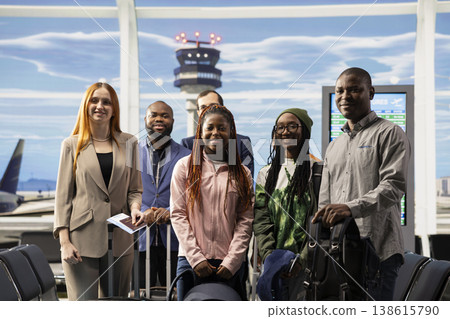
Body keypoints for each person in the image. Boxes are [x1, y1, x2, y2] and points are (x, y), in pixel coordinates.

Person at [312, 67, 411, 301]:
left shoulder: (389, 133)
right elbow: (326, 202)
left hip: (378, 251)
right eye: (340, 91)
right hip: (340, 252)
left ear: (371, 92)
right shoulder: (334, 146)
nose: (345, 96)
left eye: (354, 89)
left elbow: (394, 186)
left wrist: (350, 207)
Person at [54, 82, 144, 300]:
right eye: (94, 100)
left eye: (106, 101)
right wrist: (65, 242)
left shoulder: (130, 142)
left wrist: (135, 207)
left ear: (114, 109)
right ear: (86, 105)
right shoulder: (71, 145)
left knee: (117, 305)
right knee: (84, 305)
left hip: (121, 238)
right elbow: (63, 198)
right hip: (81, 240)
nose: (99, 106)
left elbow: (135, 189)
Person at [170, 104, 254, 300]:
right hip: (191, 262)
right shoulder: (184, 168)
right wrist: (196, 258)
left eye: (222, 128)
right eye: (209, 127)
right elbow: (178, 214)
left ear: (231, 132)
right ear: (201, 131)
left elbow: (245, 220)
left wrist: (232, 262)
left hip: (229, 264)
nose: (215, 132)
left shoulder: (243, 173)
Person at [253, 108, 317, 300]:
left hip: (305, 268)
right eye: (280, 127)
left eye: (292, 126)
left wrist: (301, 260)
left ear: (304, 131)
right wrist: (271, 258)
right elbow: (261, 220)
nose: (285, 131)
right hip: (272, 264)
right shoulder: (266, 174)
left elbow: (319, 222)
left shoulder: (318, 170)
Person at [138, 101, 191, 288]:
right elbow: (126, 191)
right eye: (153, 115)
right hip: (141, 239)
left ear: (173, 121)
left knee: (176, 296)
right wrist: (144, 211)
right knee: (140, 296)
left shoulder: (187, 155)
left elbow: (190, 194)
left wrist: (169, 211)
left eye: (165, 115)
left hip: (176, 240)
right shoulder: (130, 153)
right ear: (145, 119)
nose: (159, 119)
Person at [180, 90, 254, 178]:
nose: (207, 110)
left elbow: (246, 178)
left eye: (212, 106)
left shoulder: (242, 142)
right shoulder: (187, 144)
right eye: (203, 107)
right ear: (198, 112)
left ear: (223, 109)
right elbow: (186, 177)